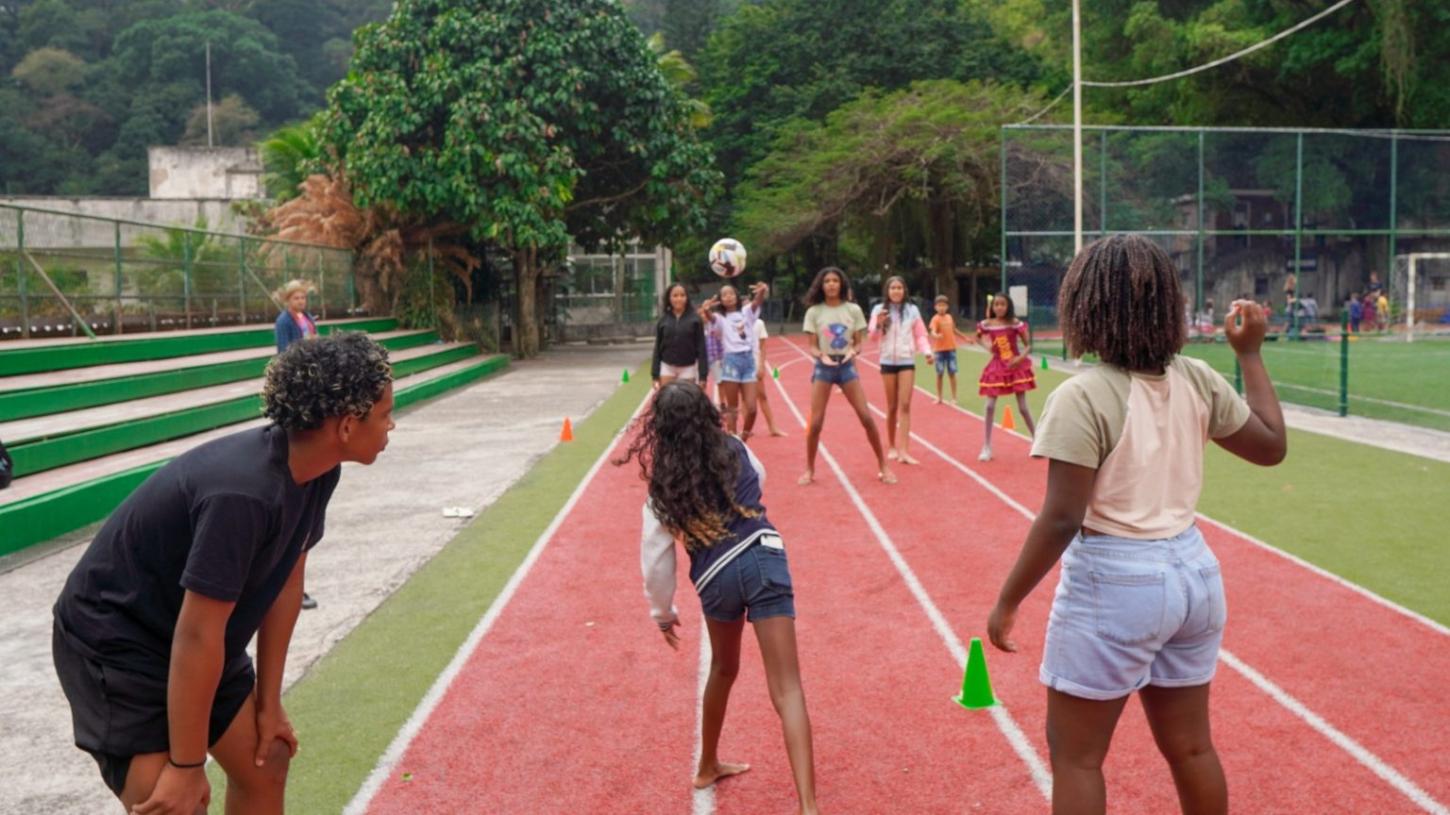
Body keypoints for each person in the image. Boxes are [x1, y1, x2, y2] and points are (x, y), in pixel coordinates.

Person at [987, 234, 1287, 815]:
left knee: (1077, 758)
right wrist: (1250, 354)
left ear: (1087, 307)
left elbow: (1062, 517)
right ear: (1165, 306)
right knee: (1192, 748)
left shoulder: (1084, 395)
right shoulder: (1197, 377)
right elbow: (1271, 447)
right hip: (1195, 573)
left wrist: (1008, 599)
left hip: (1117, 579)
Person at [52, 332, 395, 815]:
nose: (391, 425)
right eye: (384, 415)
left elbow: (285, 586)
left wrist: (270, 702)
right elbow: (197, 635)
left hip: (190, 636)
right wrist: (188, 766)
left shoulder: (319, 471)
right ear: (345, 425)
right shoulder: (243, 494)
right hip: (118, 644)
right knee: (176, 804)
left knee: (267, 759)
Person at [623, 381, 820, 815]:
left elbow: (655, 560)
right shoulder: (733, 447)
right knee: (787, 688)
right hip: (764, 555)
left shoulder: (662, 488)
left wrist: (663, 613)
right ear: (706, 416)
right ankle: (808, 806)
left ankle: (707, 763)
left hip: (716, 577)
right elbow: (760, 479)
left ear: (662, 430)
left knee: (724, 667)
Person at [798, 267, 895, 486]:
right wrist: (822, 356)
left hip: (846, 366)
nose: (831, 284)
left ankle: (883, 465)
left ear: (842, 284)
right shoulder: (814, 312)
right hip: (823, 367)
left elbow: (858, 342)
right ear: (821, 286)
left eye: (835, 280)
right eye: (827, 281)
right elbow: (812, 347)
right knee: (815, 423)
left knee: (866, 417)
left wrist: (853, 351)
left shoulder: (853, 310)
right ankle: (809, 469)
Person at [274, 279, 321, 610]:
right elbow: (285, 353)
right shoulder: (283, 322)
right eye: (297, 296)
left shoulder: (310, 320)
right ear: (287, 299)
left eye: (304, 296)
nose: (302, 301)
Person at [867, 276, 933, 465]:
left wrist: (927, 352)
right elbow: (872, 337)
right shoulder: (879, 310)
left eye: (899, 287)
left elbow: (920, 335)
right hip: (887, 360)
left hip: (906, 360)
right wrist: (879, 323)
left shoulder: (912, 311)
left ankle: (904, 450)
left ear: (904, 290)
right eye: (892, 287)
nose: (896, 291)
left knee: (905, 405)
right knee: (892, 406)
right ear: (887, 291)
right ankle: (892, 446)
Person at [700, 282, 769, 436]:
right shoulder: (719, 317)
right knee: (732, 407)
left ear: (737, 296)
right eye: (724, 295)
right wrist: (706, 309)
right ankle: (733, 437)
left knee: (752, 408)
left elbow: (756, 303)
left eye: (731, 293)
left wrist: (761, 292)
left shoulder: (746, 312)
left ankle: (744, 436)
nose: (728, 297)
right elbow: (711, 319)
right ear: (721, 300)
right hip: (731, 361)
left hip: (748, 361)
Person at [975, 293, 1037, 462]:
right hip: (996, 366)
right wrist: (988, 347)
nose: (999, 307)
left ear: (1008, 306)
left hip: (1015, 366)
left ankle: (1037, 440)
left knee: (1023, 408)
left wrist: (1020, 359)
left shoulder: (1015, 323)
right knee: (989, 406)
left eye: (1002, 304)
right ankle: (986, 446)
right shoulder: (987, 324)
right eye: (996, 305)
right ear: (992, 307)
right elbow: (978, 337)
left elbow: (1028, 345)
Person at [651, 282, 709, 388]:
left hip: (688, 367)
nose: (679, 299)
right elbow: (657, 348)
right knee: (667, 400)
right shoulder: (663, 320)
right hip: (667, 367)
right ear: (669, 298)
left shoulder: (695, 319)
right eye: (675, 295)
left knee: (686, 402)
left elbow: (701, 348)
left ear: (687, 298)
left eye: (682, 295)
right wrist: (655, 375)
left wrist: (703, 376)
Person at [743, 317, 788, 439]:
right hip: (739, 363)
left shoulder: (759, 323)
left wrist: (762, 365)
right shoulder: (735, 321)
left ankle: (773, 427)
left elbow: (762, 347)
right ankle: (745, 428)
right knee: (743, 398)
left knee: (762, 395)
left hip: (754, 364)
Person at [928, 295, 959, 404]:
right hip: (939, 351)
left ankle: (954, 397)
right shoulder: (935, 319)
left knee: (952, 373)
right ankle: (939, 397)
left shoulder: (950, 317)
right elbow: (932, 331)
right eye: (939, 305)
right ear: (935, 307)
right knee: (939, 374)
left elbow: (954, 330)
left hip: (951, 349)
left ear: (947, 307)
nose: (942, 307)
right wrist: (935, 335)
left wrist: (965, 338)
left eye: (944, 305)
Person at [274, 279, 318, 354]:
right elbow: (283, 349)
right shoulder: (283, 321)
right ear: (288, 300)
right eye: (296, 298)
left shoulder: (308, 316)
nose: (300, 301)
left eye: (303, 298)